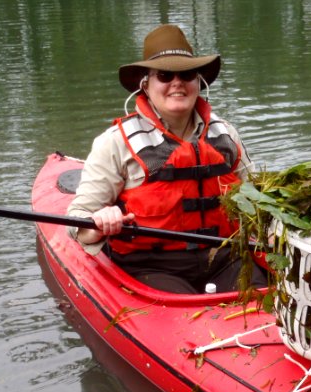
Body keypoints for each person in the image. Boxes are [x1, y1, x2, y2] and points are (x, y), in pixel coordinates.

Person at [68, 24, 262, 294]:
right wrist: (100, 221)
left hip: (225, 258)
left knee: (259, 297)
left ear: (198, 82)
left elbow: (259, 201)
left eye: (187, 74)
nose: (177, 83)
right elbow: (78, 222)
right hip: (151, 266)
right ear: (145, 85)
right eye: (165, 75)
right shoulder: (114, 143)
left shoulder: (225, 134)